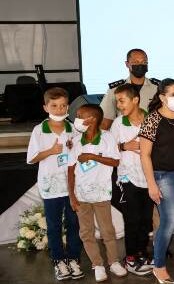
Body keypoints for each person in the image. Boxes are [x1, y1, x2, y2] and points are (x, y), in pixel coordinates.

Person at [139, 78, 174, 283]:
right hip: (163, 176)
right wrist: (151, 184)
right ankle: (159, 265)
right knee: (169, 220)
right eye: (173, 94)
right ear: (162, 97)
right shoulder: (152, 120)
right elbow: (144, 154)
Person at [27, 87, 83, 281]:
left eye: (63, 106)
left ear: (68, 106)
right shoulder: (39, 130)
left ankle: (74, 258)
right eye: (54, 106)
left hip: (71, 186)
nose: (59, 110)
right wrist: (50, 151)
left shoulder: (72, 128)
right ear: (45, 107)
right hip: (50, 188)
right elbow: (32, 158)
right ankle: (59, 260)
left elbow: (79, 152)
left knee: (74, 223)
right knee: (54, 226)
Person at [67, 104, 127, 282]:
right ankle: (97, 264)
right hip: (81, 195)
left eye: (80, 115)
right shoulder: (75, 141)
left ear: (92, 119)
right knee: (86, 231)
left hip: (102, 194)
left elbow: (115, 162)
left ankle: (114, 262)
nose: (76, 118)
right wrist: (72, 195)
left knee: (107, 230)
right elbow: (70, 170)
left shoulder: (107, 138)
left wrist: (93, 156)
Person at [109, 84, 154, 275]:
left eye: (122, 100)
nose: (119, 105)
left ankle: (142, 253)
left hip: (148, 178)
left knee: (145, 220)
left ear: (135, 100)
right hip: (128, 179)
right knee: (132, 219)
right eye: (117, 101)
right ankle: (130, 258)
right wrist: (123, 146)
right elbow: (109, 150)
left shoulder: (151, 120)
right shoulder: (118, 124)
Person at [100, 48, 158, 130]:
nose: (140, 65)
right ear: (127, 64)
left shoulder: (157, 88)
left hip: (151, 134)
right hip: (124, 136)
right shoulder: (115, 89)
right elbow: (105, 122)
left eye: (144, 62)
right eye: (135, 62)